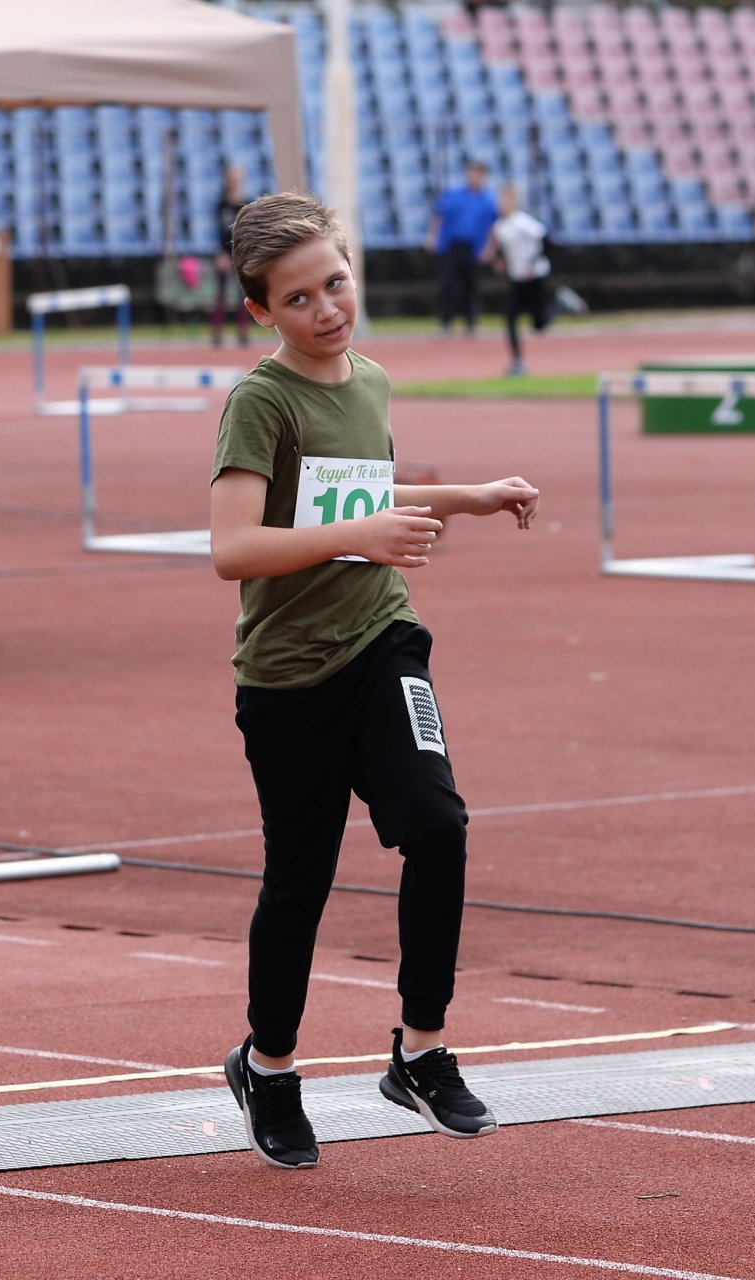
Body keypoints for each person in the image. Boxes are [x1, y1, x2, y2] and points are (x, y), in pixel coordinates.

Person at [208, 191, 539, 1169]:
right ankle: (267, 1065)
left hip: (383, 641)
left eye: (336, 282)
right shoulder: (259, 401)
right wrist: (359, 535)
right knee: (298, 882)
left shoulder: (373, 380)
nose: (326, 308)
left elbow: (363, 489)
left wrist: (466, 496)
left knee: (438, 824)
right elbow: (233, 547)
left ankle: (421, 1048)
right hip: (286, 681)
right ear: (263, 309)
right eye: (299, 296)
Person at [483, 183, 588, 377]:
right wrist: (499, 262)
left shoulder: (525, 223)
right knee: (510, 317)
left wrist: (533, 263)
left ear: (515, 202)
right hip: (516, 280)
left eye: (507, 199)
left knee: (538, 324)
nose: (503, 204)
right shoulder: (500, 227)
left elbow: (548, 242)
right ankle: (517, 362)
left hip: (534, 279)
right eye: (501, 200)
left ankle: (558, 303)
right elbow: (503, 252)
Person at [426, 160, 498, 336]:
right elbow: (439, 216)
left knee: (472, 286)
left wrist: (490, 248)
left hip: (474, 248)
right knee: (448, 285)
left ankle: (471, 322)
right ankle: (446, 322)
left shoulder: (488, 199)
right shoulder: (454, 194)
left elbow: (493, 226)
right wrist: (433, 237)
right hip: (451, 245)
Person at [211, 163, 252, 349]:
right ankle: (217, 333)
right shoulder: (221, 204)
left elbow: (248, 230)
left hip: (241, 253)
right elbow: (218, 231)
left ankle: (242, 333)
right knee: (220, 295)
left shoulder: (247, 203)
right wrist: (221, 254)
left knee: (242, 294)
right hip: (224, 254)